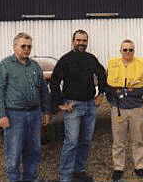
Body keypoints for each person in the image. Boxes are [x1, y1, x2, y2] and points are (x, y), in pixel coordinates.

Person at [0, 32, 52, 182]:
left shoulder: (35, 66)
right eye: (23, 46)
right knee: (13, 153)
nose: (26, 49)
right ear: (14, 47)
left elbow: (43, 90)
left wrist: (46, 111)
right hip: (14, 116)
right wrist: (2, 115)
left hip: (34, 115)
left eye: (29, 46)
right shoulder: (5, 65)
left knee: (34, 150)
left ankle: (30, 178)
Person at [49, 29, 106, 182]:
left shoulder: (91, 58)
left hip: (90, 106)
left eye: (84, 41)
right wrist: (60, 103)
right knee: (71, 142)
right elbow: (54, 81)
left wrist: (101, 94)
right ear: (73, 41)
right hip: (72, 106)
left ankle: (79, 171)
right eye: (78, 40)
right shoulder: (65, 60)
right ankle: (65, 176)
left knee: (86, 141)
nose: (81, 43)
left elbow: (102, 74)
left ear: (87, 42)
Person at [105, 39, 143, 181]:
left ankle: (140, 166)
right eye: (125, 50)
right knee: (118, 141)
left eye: (130, 50)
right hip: (118, 108)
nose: (128, 52)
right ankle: (118, 168)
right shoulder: (112, 66)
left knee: (138, 140)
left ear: (134, 51)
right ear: (120, 51)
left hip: (136, 108)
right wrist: (112, 101)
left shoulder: (142, 66)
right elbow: (107, 87)